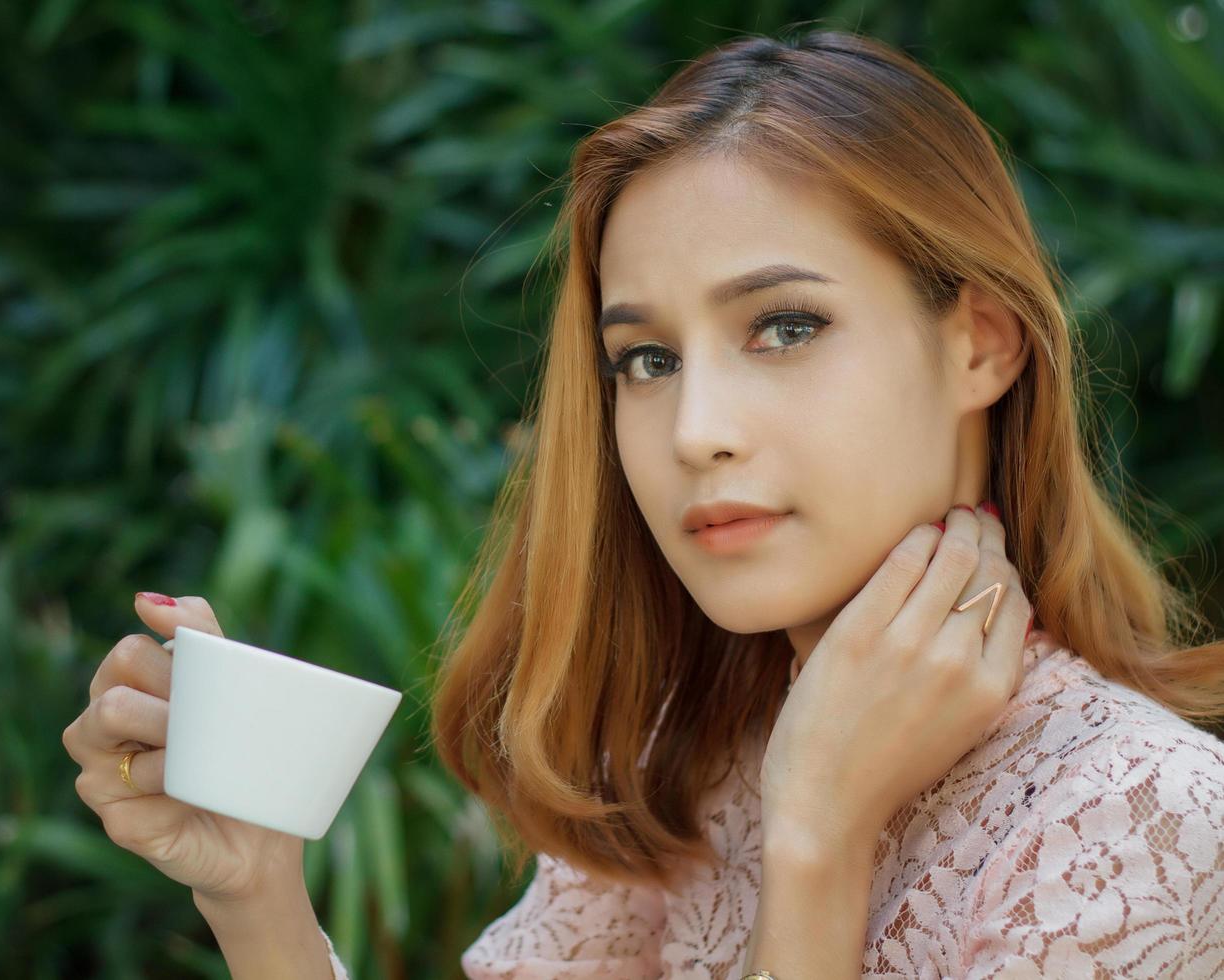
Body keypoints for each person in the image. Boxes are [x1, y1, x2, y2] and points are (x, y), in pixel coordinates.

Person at [61, 27, 1224, 980]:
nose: (694, 428)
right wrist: (254, 888)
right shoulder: (692, 757)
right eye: (647, 358)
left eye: (784, 326)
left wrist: (815, 840)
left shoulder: (1141, 817)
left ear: (979, 344)